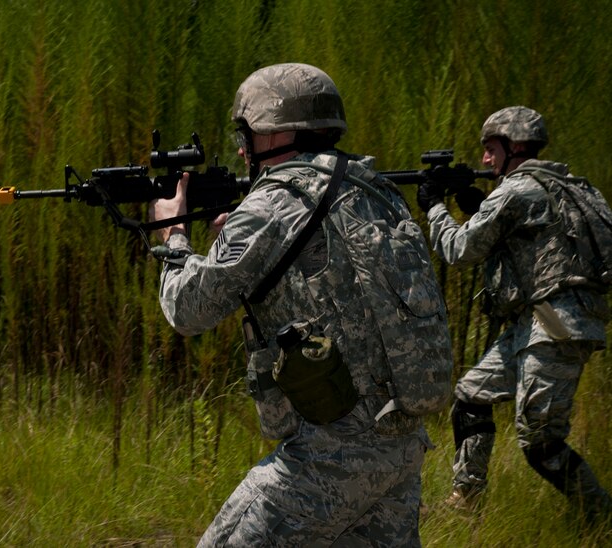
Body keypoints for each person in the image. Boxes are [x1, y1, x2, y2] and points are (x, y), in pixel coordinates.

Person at [150, 63, 441, 546]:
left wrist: (174, 236)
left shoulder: (272, 204)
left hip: (330, 460)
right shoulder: (378, 191)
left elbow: (187, 310)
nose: (242, 147)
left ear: (276, 132)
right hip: (401, 447)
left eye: (247, 133)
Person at [416, 106, 612, 524]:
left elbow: (458, 251)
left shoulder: (516, 190)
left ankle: (600, 516)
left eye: (491, 150)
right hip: (541, 320)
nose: (485, 160)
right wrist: (476, 206)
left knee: (541, 440)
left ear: (515, 146)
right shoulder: (566, 184)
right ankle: (467, 502)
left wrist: (433, 207)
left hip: (553, 323)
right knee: (471, 397)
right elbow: (531, 245)